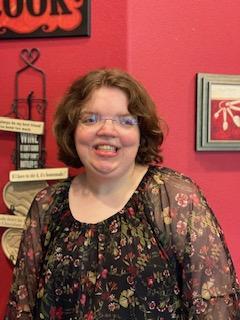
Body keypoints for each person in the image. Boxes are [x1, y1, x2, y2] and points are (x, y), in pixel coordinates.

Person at [5, 68, 240, 319]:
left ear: (141, 133)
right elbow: (22, 304)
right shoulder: (47, 205)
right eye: (90, 119)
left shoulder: (171, 197)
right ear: (72, 131)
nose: (107, 130)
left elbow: (215, 304)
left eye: (125, 121)